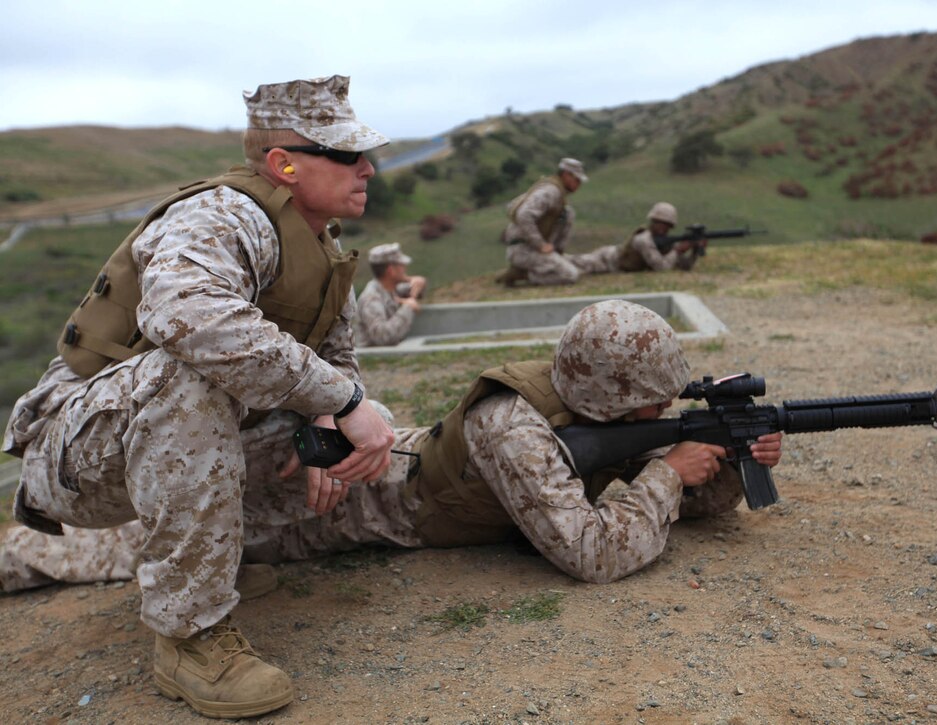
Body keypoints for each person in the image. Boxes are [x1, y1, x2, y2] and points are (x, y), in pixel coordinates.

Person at [0, 75, 397, 719]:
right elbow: (189, 318)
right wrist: (342, 400)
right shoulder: (225, 215)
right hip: (73, 454)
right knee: (189, 372)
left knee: (355, 429)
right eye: (347, 155)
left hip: (152, 438)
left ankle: (217, 566)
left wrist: (333, 414)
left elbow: (338, 362)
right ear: (284, 162)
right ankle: (189, 635)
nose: (368, 168)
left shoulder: (321, 249)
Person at [3, 300, 783, 595]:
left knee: (206, 503)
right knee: (160, 538)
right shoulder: (514, 426)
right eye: (651, 401)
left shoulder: (585, 402)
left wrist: (716, 468)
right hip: (351, 509)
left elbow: (669, 484)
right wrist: (664, 480)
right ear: (610, 394)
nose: (661, 410)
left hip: (392, 460)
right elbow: (591, 552)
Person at [494, 157, 587, 287]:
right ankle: (523, 274)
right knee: (570, 275)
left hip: (532, 249)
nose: (578, 184)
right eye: (576, 179)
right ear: (566, 175)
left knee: (569, 214)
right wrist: (540, 244)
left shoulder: (559, 195)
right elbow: (524, 215)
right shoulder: (550, 191)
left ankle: (529, 269)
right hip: (523, 249)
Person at [571, 202, 702, 275]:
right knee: (572, 264)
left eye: (667, 225)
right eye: (660, 223)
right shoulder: (644, 240)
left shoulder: (664, 241)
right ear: (653, 221)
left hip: (611, 262)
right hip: (605, 261)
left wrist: (694, 250)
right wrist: (678, 251)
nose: (663, 228)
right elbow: (662, 268)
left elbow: (684, 266)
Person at [354, 242, 428, 347]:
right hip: (376, 359)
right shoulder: (371, 298)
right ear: (391, 270)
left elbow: (416, 291)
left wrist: (420, 282)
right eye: (401, 265)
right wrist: (407, 307)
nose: (405, 268)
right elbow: (382, 337)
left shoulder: (391, 288)